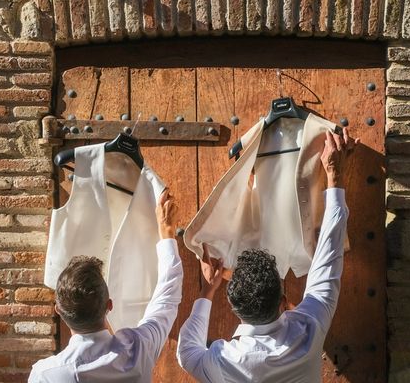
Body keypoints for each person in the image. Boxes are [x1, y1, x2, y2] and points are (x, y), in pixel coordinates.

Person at [177, 129, 357, 382]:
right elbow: (329, 255)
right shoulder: (308, 330)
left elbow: (186, 353)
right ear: (283, 302)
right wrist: (333, 175)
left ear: (236, 311)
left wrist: (208, 290)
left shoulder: (223, 359)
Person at [29, 191, 182, 382]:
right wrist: (167, 232)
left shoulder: (46, 375)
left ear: (58, 311)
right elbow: (167, 300)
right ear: (109, 305)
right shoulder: (137, 348)